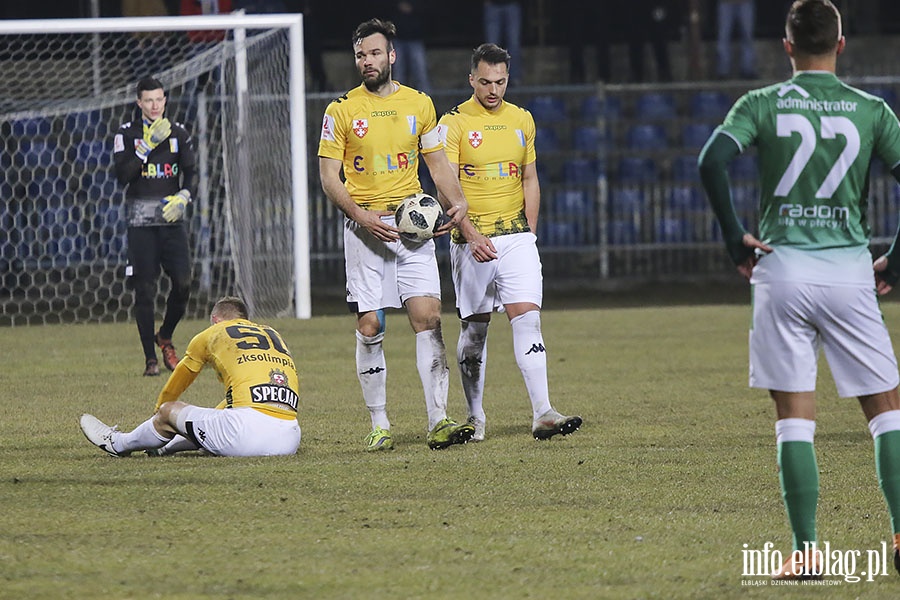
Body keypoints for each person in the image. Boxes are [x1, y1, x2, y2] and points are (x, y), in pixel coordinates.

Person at [698, 0, 900, 579]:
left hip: (782, 269)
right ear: (841, 44)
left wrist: (735, 240)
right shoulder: (870, 109)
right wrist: (898, 260)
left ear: (786, 47)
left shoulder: (761, 104)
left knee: (794, 417)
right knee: (886, 411)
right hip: (849, 269)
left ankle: (807, 549)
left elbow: (712, 162)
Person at [317, 18, 473, 452]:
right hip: (366, 230)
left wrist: (456, 199)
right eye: (360, 55)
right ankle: (380, 423)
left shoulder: (420, 104)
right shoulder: (341, 110)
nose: (367, 61)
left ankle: (438, 420)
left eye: (373, 53)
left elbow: (438, 163)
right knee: (370, 326)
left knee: (428, 318)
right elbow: (330, 177)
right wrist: (360, 215)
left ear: (391, 56)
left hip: (413, 228)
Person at [437, 43, 583, 442]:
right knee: (475, 332)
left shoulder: (522, 120)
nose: (493, 90)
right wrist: (469, 234)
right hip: (471, 240)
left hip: (515, 237)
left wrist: (529, 234)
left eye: (500, 82)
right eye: (485, 81)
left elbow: (529, 177)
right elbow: (446, 185)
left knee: (528, 318)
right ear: (471, 79)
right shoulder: (453, 123)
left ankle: (543, 412)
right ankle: (475, 417)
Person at [79, 296, 302, 457]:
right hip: (289, 437)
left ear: (215, 320)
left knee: (170, 412)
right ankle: (164, 447)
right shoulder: (273, 335)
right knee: (217, 417)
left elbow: (178, 382)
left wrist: (158, 416)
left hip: (246, 435)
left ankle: (118, 444)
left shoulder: (212, 333)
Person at [113, 76, 197, 377]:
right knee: (145, 290)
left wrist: (185, 196)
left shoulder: (179, 132)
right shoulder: (127, 133)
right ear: (139, 102)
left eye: (159, 99)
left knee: (184, 282)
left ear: (165, 100)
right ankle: (151, 358)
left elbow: (191, 172)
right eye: (148, 100)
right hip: (140, 225)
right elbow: (122, 176)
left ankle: (165, 335)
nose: (154, 105)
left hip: (171, 223)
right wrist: (145, 147)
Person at [385, 0, 431, 94]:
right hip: (398, 40)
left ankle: (427, 99)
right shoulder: (394, 9)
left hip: (416, 40)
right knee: (398, 72)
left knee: (420, 72)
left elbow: (426, 14)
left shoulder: (419, 8)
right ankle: (398, 97)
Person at [483, 1, 522, 86]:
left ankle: (514, 78)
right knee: (492, 47)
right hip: (493, 6)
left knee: (513, 44)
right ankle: (492, 77)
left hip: (511, 5)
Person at [716, 0, 757, 79]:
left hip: (745, 3)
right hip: (725, 3)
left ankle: (747, 69)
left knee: (747, 38)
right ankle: (723, 71)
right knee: (723, 37)